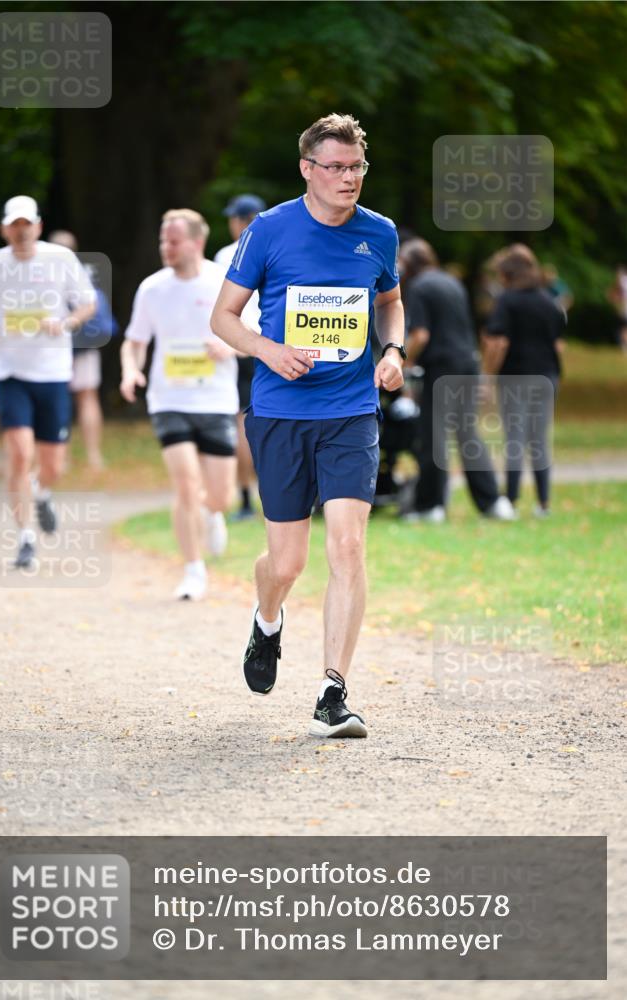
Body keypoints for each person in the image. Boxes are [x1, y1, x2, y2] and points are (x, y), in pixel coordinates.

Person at [211, 113, 406, 738]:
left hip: (350, 412)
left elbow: (390, 300)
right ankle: (267, 619)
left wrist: (393, 352)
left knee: (348, 545)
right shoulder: (268, 230)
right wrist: (270, 351)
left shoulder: (379, 233)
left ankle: (333, 691)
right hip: (280, 411)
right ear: (308, 170)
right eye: (336, 167)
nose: (348, 178)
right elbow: (224, 318)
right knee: (287, 561)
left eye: (356, 168)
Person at [0, 195, 96, 568]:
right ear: (4, 229)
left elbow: (87, 303)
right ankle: (25, 539)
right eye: (14, 225)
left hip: (52, 370)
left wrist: (66, 322)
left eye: (27, 224)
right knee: (19, 453)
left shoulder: (60, 260)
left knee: (52, 464)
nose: (21, 232)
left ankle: (42, 491)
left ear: (37, 226)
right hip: (8, 370)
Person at [120, 209, 238, 600]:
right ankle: (192, 570)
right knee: (185, 485)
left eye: (172, 241)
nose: (165, 248)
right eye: (162, 241)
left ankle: (213, 512)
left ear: (196, 242)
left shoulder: (224, 281)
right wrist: (130, 371)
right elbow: (135, 340)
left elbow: (255, 332)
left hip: (216, 400)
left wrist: (228, 344)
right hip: (168, 398)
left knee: (220, 494)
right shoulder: (152, 288)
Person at [398, 239, 515, 522]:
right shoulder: (451, 282)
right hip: (467, 363)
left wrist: (403, 361)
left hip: (441, 367)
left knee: (433, 437)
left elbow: (420, 335)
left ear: (410, 264)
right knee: (467, 434)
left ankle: (430, 506)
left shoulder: (420, 287)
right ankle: (493, 503)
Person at [482, 244, 565, 517]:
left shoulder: (508, 301)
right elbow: (559, 345)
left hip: (516, 377)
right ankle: (543, 503)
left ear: (508, 274)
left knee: (515, 439)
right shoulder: (549, 302)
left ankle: (512, 501)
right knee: (539, 439)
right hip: (547, 377)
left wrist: (488, 375)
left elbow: (498, 342)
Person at [214, 194, 266, 519]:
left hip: (238, 344)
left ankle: (246, 500)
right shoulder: (279, 245)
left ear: (242, 219)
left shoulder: (226, 255)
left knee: (242, 426)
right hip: (272, 345)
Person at [48, 230, 118, 470]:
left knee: (58, 401)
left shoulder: (42, 275)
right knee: (87, 398)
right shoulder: (86, 275)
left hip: (53, 348)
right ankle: (93, 456)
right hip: (86, 347)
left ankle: (62, 458)